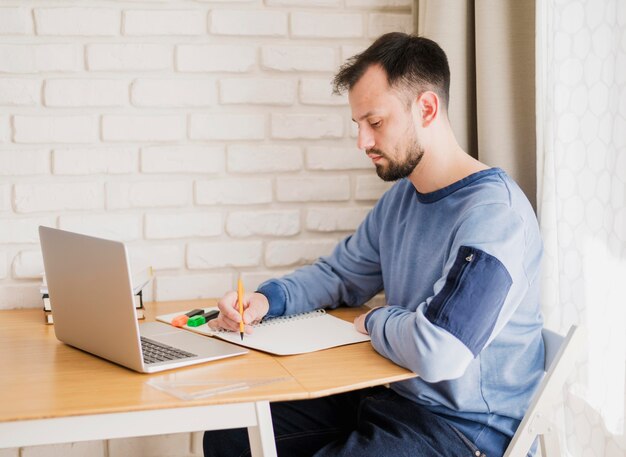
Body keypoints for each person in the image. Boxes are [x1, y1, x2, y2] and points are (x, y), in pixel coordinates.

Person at [204, 32, 544, 457]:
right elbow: (339, 275)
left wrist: (376, 320)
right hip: (396, 399)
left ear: (426, 108)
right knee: (231, 433)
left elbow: (442, 352)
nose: (362, 142)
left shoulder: (496, 216)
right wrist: (266, 300)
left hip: (466, 432)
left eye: (375, 123)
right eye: (358, 125)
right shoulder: (401, 200)